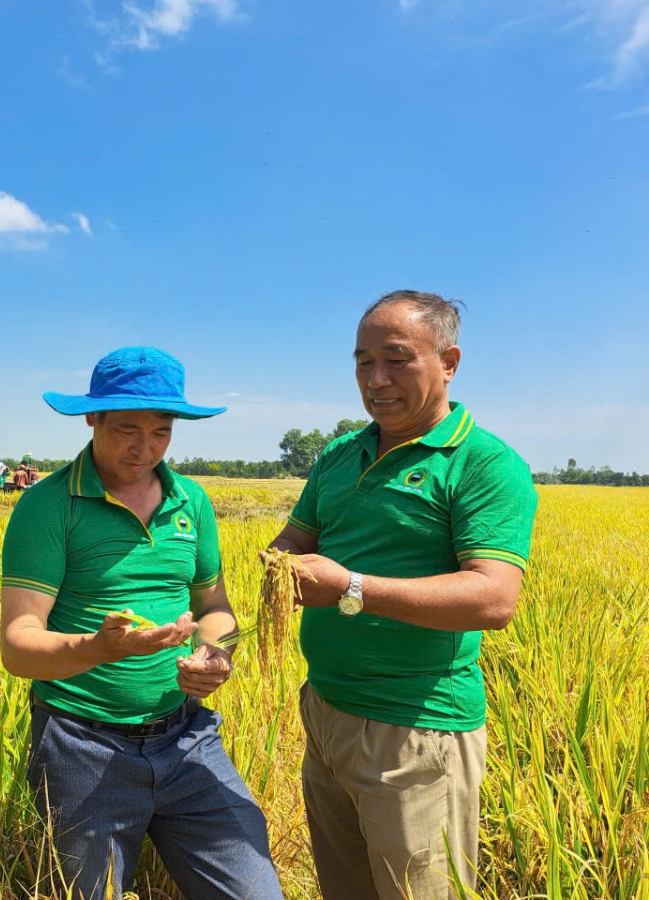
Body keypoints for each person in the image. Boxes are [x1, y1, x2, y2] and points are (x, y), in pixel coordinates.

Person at [265, 291, 538, 900]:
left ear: (449, 361)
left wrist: (350, 589)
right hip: (327, 710)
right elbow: (296, 537)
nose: (376, 380)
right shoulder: (340, 454)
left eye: (397, 359)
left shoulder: (484, 464)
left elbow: (493, 598)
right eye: (363, 362)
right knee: (347, 888)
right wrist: (277, 561)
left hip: (415, 731)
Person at [0, 346, 283, 900]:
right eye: (127, 428)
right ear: (92, 417)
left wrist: (215, 654)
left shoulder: (191, 501)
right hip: (83, 745)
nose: (144, 448)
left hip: (187, 736)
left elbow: (215, 609)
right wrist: (102, 647)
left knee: (255, 892)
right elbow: (18, 645)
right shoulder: (48, 505)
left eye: (161, 431)